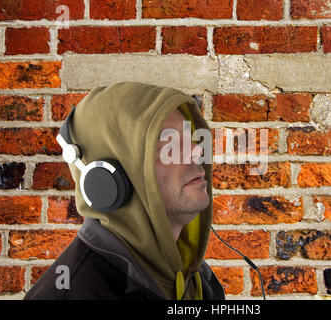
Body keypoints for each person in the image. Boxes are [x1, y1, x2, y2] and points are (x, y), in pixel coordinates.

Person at [24, 81, 225, 300]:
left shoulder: (200, 283)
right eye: (167, 142)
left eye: (189, 137)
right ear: (108, 180)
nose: (197, 151)